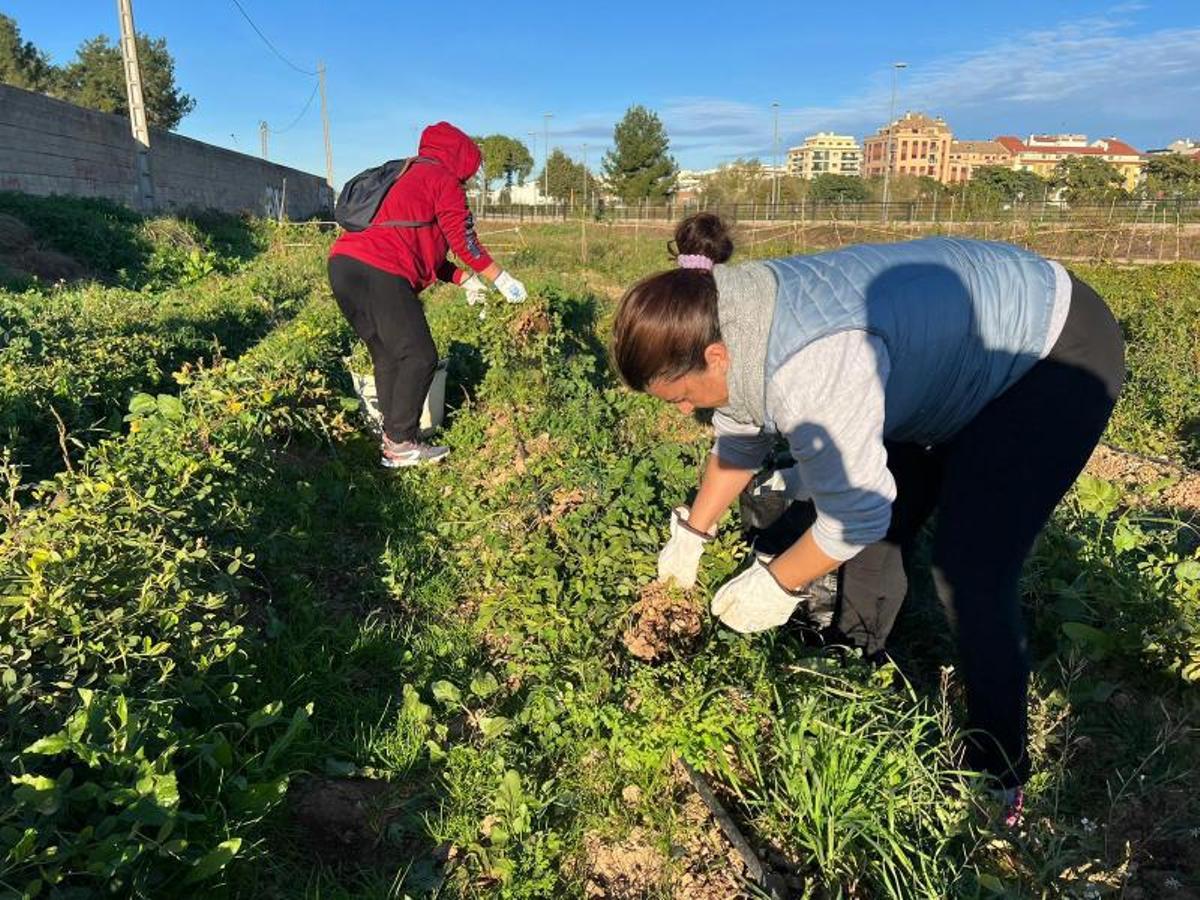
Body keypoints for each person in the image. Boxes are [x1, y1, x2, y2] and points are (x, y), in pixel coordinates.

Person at [612, 213, 1124, 818]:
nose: (680, 412)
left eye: (680, 398)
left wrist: (777, 583)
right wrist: (691, 536)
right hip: (936, 357)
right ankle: (853, 665)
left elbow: (853, 517)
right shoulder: (724, 316)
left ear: (716, 357)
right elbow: (739, 436)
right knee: (894, 513)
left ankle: (999, 775)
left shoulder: (809, 367)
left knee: (969, 568)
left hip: (1048, 354)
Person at [328, 121, 528, 468]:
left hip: (344, 267)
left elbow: (421, 251)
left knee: (388, 355)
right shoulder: (442, 179)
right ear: (462, 158)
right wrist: (501, 278)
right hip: (380, 270)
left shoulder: (405, 174)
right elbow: (463, 239)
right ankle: (402, 442)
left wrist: (465, 280)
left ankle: (392, 441)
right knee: (420, 355)